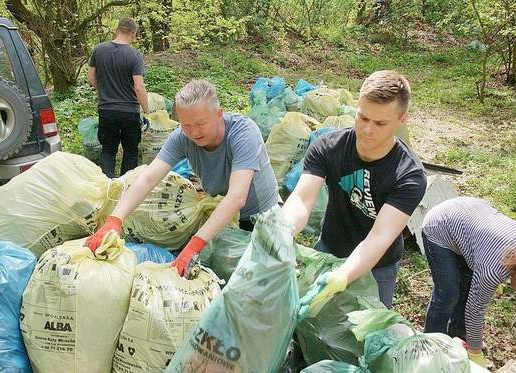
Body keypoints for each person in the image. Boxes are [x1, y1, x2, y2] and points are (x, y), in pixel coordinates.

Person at [86, 79, 278, 276]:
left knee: (260, 276)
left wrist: (194, 245)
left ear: (219, 114)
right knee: (226, 274)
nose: (194, 132)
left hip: (261, 215)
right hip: (226, 215)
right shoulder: (182, 137)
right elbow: (148, 179)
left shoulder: (243, 133)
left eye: (201, 124)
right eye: (186, 125)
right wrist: (115, 220)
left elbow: (237, 196)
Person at [282, 70, 427, 308]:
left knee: (365, 337)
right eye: (363, 118)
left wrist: (343, 275)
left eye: (380, 123)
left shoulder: (409, 175)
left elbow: (381, 235)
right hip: (329, 248)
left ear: (402, 120)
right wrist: (281, 232)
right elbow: (301, 199)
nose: (368, 130)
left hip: (378, 266)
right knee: (312, 325)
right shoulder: (328, 147)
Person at [421, 196, 516, 368]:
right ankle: (430, 344)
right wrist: (475, 353)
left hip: (472, 223)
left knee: (467, 285)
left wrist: (472, 344)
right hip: (440, 225)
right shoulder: (492, 271)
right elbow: (475, 310)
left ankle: (459, 335)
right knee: (447, 294)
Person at [87, 16, 149, 178]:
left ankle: (106, 186)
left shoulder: (99, 50)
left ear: (117, 30)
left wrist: (105, 92)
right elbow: (139, 86)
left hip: (106, 109)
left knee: (108, 150)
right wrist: (147, 110)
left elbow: (91, 77)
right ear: (133, 33)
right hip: (129, 111)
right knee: (130, 152)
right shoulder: (134, 55)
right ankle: (124, 188)